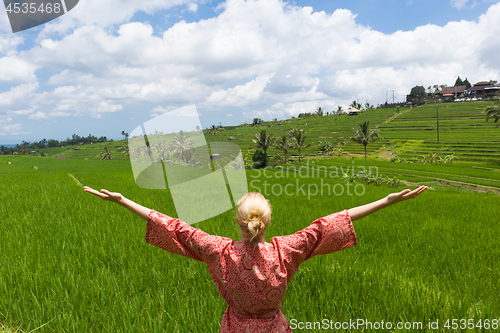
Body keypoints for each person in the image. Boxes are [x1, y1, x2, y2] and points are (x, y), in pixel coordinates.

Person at [83, 185, 427, 332]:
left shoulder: (217, 249)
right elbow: (333, 222)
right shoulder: (286, 249)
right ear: (268, 221)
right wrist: (385, 201)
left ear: (238, 221)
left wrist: (123, 200)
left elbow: (171, 225)